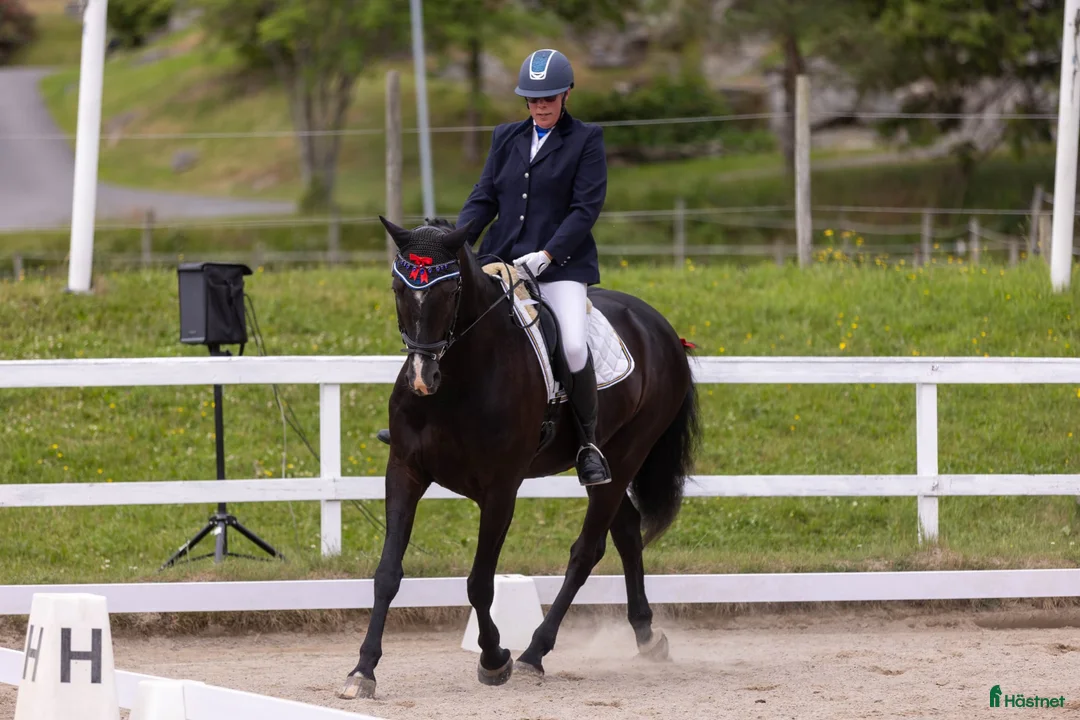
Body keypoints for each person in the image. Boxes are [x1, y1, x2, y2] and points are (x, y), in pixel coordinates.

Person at [378, 48, 611, 487]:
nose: (540, 107)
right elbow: (484, 197)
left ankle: (586, 444)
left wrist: (547, 255)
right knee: (446, 323)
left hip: (559, 267)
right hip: (498, 259)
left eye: (548, 99)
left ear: (565, 96)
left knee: (575, 347)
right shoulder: (506, 137)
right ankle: (413, 425)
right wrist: (455, 244)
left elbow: (585, 209)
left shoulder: (586, 140)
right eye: (532, 99)